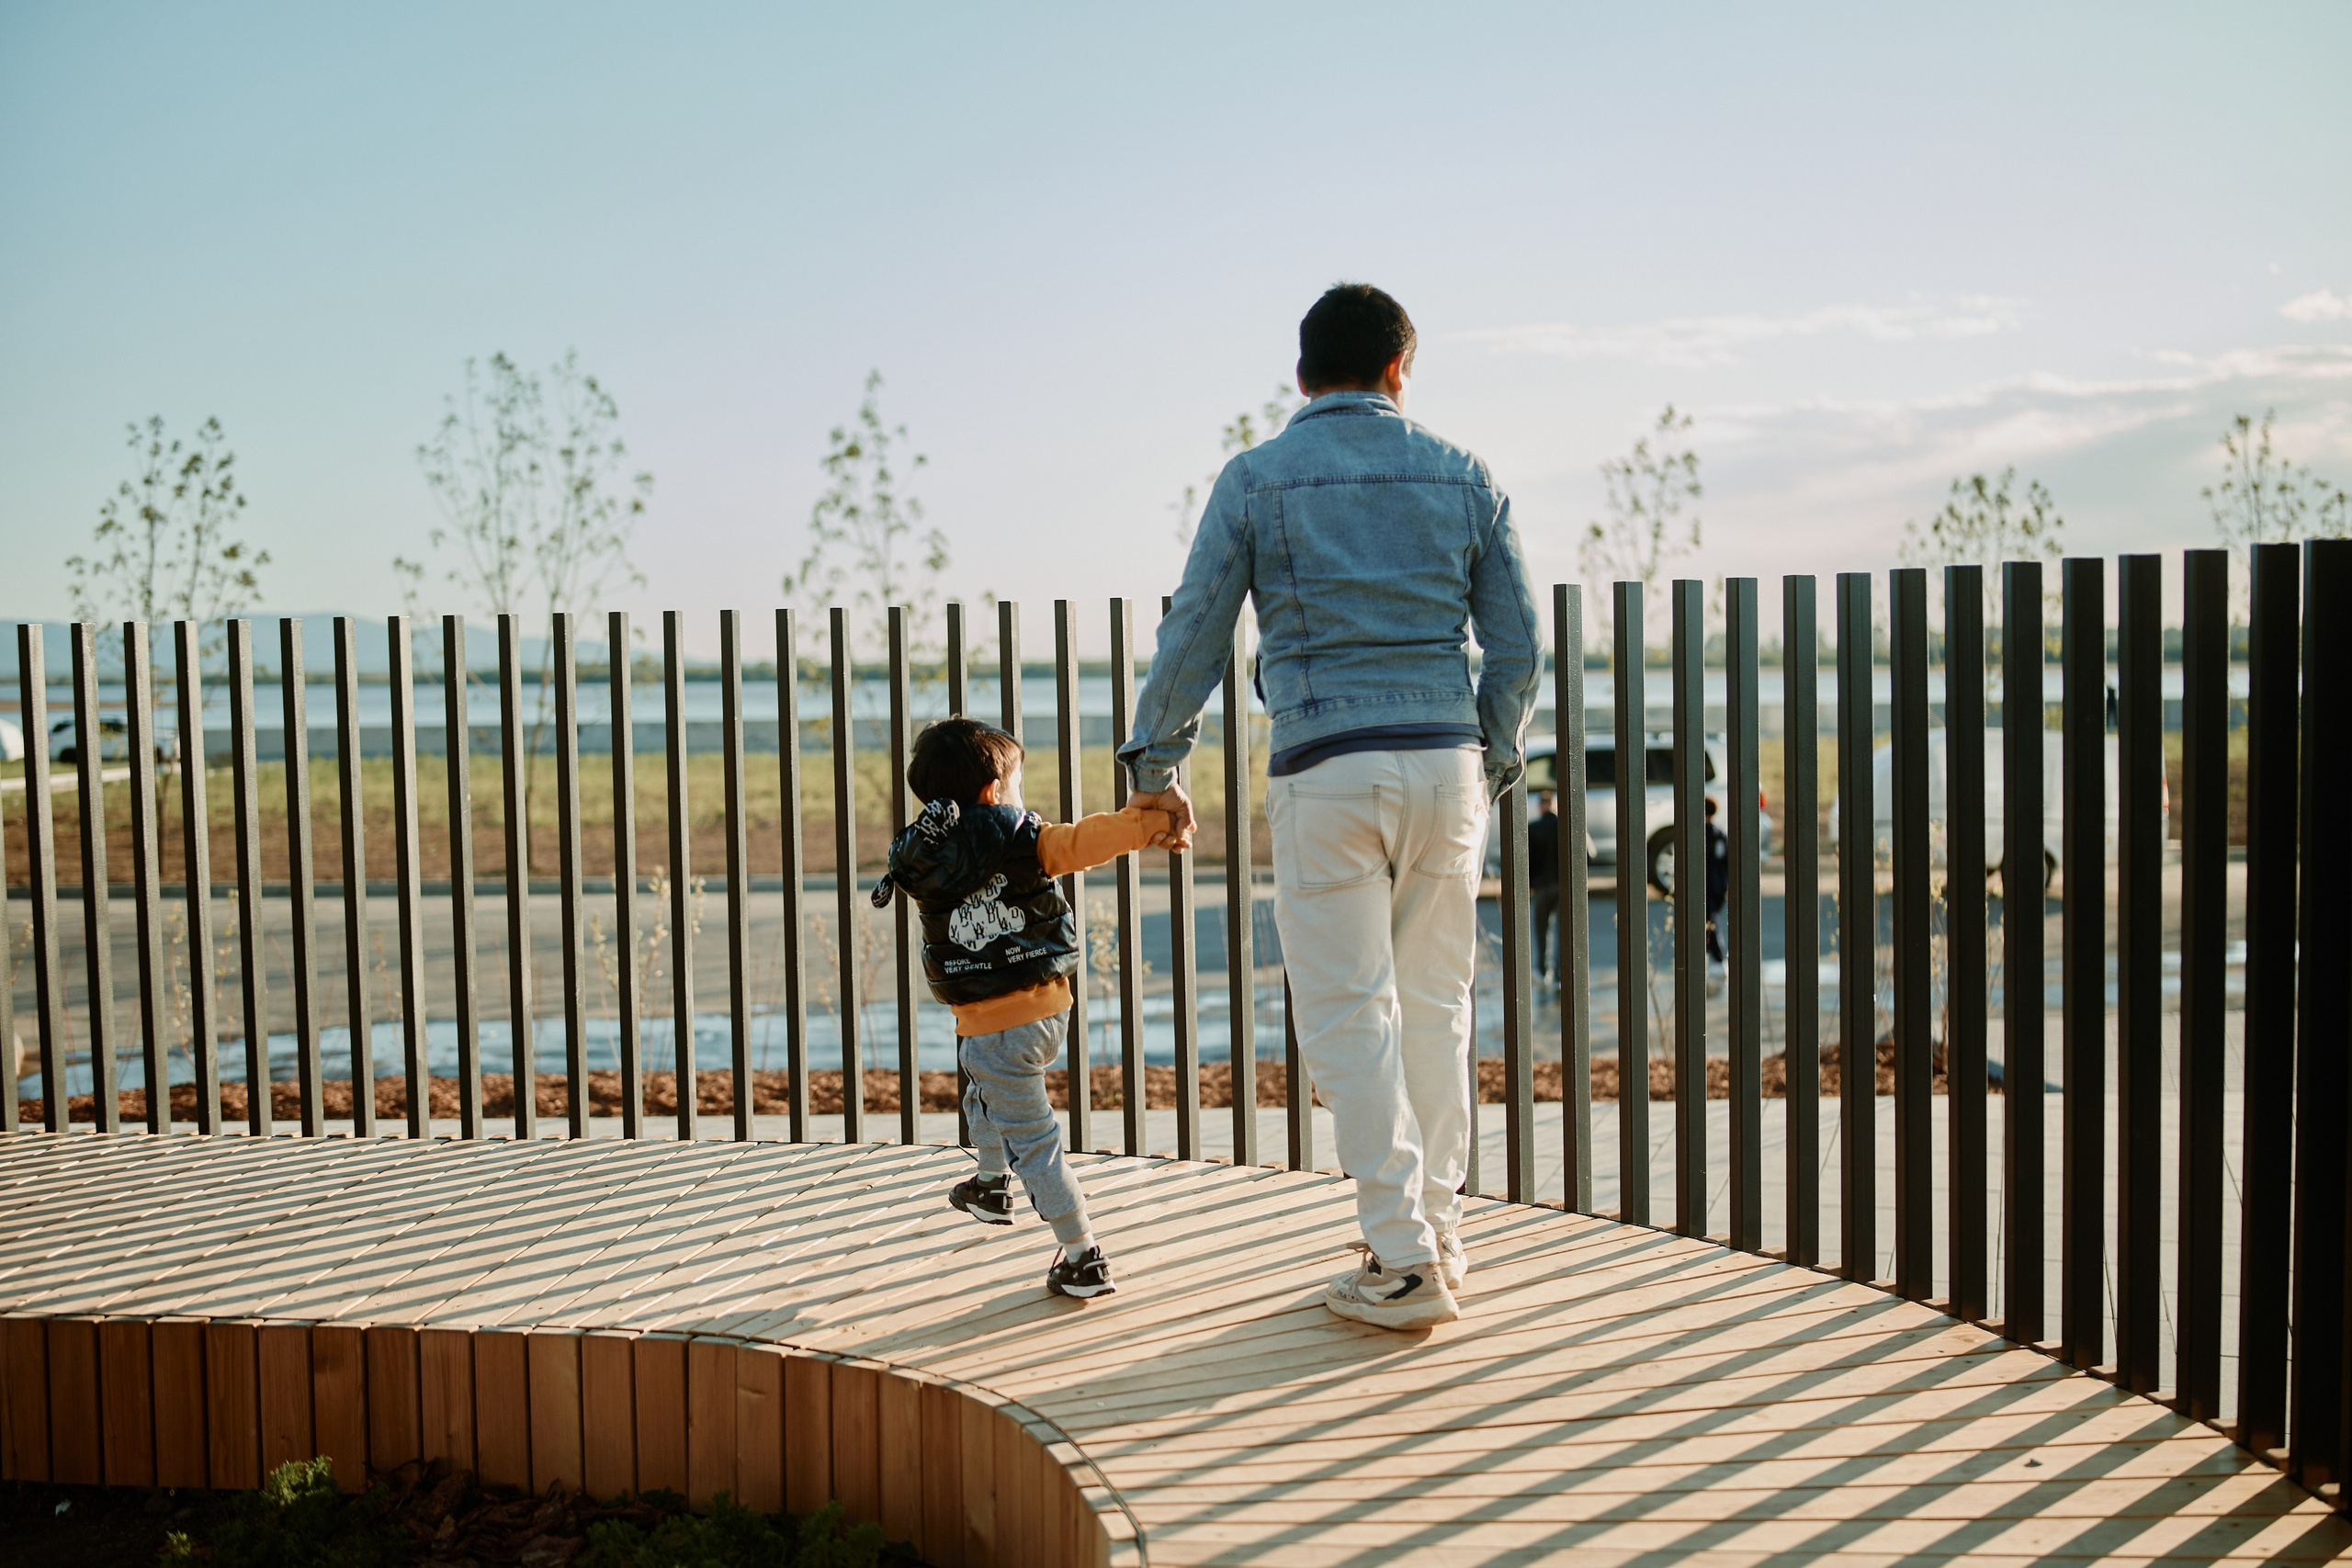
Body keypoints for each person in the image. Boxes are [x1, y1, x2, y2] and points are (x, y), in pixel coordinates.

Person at [1120, 283, 1542, 1331]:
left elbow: (1195, 632)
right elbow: (1521, 645)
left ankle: (1399, 1256)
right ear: (1402, 367)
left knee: (1351, 1011)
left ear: (1301, 374)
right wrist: (1487, 753)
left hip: (1324, 766)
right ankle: (1436, 1233)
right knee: (1436, 1005)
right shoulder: (1465, 474)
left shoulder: (1257, 478)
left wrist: (1155, 761)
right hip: (1444, 767)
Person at [876, 717, 1180, 1299]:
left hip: (987, 1019)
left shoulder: (919, 858)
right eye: (1015, 785)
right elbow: (1087, 840)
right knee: (985, 1091)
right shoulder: (1023, 836)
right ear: (993, 791)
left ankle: (1082, 1254)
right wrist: (1149, 821)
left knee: (1030, 1136)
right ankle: (991, 1183)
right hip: (1044, 1009)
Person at [1527, 790, 1562, 989]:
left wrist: (1532, 882)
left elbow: (1526, 860)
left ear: (1541, 806)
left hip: (1541, 887)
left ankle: (1542, 969)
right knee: (1563, 932)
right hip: (1563, 885)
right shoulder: (1566, 825)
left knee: (1541, 930)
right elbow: (1588, 855)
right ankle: (1559, 972)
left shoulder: (1533, 828)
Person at [1702, 795, 1729, 964]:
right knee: (1710, 919)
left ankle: (1718, 956)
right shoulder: (1719, 835)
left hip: (1706, 885)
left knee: (1708, 922)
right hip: (1719, 885)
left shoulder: (1698, 835)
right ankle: (1715, 954)